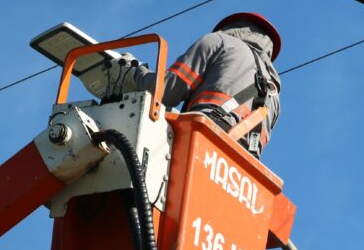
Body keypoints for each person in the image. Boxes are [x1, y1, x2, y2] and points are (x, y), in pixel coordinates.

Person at [106, 13, 282, 157]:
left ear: (230, 28)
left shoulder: (219, 41)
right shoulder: (274, 92)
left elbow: (167, 91)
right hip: (245, 169)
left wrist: (133, 74)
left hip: (204, 138)